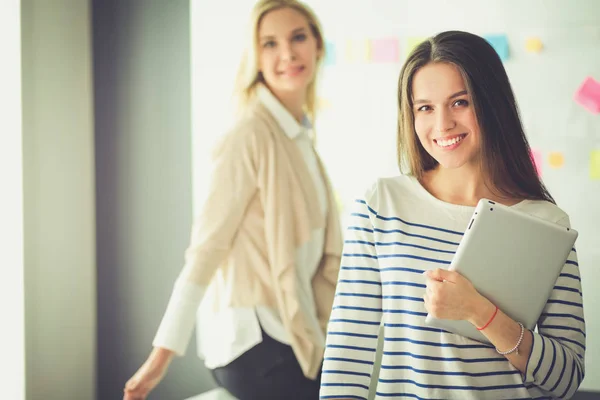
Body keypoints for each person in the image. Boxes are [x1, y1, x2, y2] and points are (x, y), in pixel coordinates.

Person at [320, 31, 585, 400]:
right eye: (425, 107)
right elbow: (347, 354)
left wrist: (480, 313)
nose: (442, 124)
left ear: (491, 103)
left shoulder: (548, 223)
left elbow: (567, 377)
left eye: (459, 102)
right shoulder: (381, 205)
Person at [123, 1, 342, 399]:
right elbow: (206, 249)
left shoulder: (301, 138)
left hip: (296, 332)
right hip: (254, 343)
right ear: (255, 57)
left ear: (318, 46)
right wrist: (159, 359)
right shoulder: (248, 136)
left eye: (297, 37)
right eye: (270, 43)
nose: (287, 53)